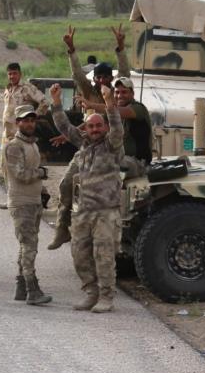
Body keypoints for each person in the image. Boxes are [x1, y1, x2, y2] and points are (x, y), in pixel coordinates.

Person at [46, 25, 131, 250]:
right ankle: (63, 229)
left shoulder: (116, 93)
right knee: (66, 184)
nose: (102, 80)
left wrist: (121, 48)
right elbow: (77, 74)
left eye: (106, 76)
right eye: (99, 76)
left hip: (110, 146)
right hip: (87, 144)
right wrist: (72, 50)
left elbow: (124, 73)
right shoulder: (88, 90)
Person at [50, 82, 123, 313]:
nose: (94, 130)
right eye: (90, 127)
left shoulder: (112, 145)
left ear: (104, 127)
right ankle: (90, 293)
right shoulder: (83, 146)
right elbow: (65, 127)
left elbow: (118, 129)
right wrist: (57, 103)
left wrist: (110, 104)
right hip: (83, 212)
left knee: (104, 257)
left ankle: (106, 297)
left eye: (98, 126)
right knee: (80, 254)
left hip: (105, 212)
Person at [5, 105, 53, 306]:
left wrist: (42, 191)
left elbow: (30, 171)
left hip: (33, 202)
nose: (29, 124)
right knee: (29, 247)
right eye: (25, 120)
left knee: (26, 246)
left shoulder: (31, 144)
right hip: (21, 203)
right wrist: (41, 173)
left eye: (32, 120)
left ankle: (21, 288)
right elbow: (20, 174)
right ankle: (32, 290)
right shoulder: (14, 146)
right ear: (18, 123)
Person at [0, 62, 49, 210]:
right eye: (9, 74)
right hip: (7, 135)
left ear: (20, 73)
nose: (12, 76)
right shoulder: (8, 90)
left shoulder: (27, 88)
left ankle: (40, 195)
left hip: (21, 135)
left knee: (25, 168)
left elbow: (44, 102)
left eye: (14, 73)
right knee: (5, 166)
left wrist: (33, 119)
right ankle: (11, 198)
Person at [80, 76, 152, 178]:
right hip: (119, 158)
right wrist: (70, 133)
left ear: (132, 94)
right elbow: (92, 122)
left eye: (124, 92)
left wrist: (91, 104)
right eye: (117, 92)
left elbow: (114, 111)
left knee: (106, 164)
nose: (120, 95)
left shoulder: (138, 108)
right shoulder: (113, 111)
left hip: (137, 162)